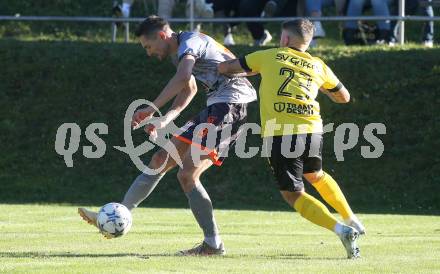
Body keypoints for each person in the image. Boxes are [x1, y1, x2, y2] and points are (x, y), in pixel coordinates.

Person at [78, 15, 257, 256]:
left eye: (148, 46)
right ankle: (118, 212)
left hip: (230, 106)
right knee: (159, 160)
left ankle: (213, 245)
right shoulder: (182, 52)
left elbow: (183, 79)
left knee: (187, 175)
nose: (148, 52)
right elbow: (189, 87)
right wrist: (166, 118)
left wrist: (151, 108)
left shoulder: (189, 43)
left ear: (162, 36)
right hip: (218, 106)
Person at [218, 19, 365, 258]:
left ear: (285, 39)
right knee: (316, 175)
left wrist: (250, 68)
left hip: (280, 132)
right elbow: (344, 97)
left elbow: (225, 68)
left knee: (292, 193)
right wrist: (323, 87)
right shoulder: (317, 65)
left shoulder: (269, 55)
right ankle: (352, 218)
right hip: (312, 129)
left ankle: (341, 229)